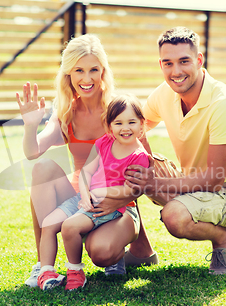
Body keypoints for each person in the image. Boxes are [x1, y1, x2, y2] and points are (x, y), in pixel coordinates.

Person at [16, 34, 156, 288]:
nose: (87, 78)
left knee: (101, 252)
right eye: (79, 70)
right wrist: (30, 125)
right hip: (78, 197)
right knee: (42, 168)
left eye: (94, 70)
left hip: (117, 202)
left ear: (103, 71)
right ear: (68, 73)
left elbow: (146, 170)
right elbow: (33, 151)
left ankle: (116, 252)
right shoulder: (66, 112)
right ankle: (43, 267)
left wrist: (121, 197)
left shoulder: (120, 111)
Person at [124, 27, 226, 275]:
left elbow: (214, 179)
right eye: (168, 63)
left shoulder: (225, 104)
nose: (176, 72)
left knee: (174, 217)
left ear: (199, 60)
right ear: (160, 64)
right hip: (189, 183)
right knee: (133, 168)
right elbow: (136, 126)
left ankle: (223, 239)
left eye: (184, 61)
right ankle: (141, 251)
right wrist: (145, 162)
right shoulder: (165, 92)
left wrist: (157, 181)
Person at [35, 94, 149, 290]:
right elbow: (87, 172)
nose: (125, 128)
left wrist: (103, 192)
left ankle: (75, 272)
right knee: (48, 223)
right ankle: (46, 272)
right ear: (109, 126)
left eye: (132, 122)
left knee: (70, 227)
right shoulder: (104, 143)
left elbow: (132, 189)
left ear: (141, 125)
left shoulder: (139, 156)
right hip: (86, 198)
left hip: (110, 206)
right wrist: (86, 194)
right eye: (118, 123)